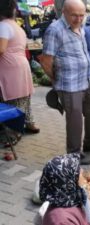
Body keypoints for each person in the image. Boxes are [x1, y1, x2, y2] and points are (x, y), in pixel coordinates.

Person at [41, 0, 90, 165]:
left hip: (85, 80)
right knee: (75, 120)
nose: (79, 19)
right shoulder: (55, 30)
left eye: (82, 14)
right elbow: (46, 61)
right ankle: (73, 154)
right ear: (64, 12)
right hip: (69, 84)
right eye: (74, 15)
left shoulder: (81, 27)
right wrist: (55, 79)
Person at [0, 0, 40, 138]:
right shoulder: (18, 27)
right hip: (21, 64)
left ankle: (14, 132)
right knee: (24, 97)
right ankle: (29, 123)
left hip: (10, 67)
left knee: (12, 99)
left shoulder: (3, 26)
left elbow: (1, 49)